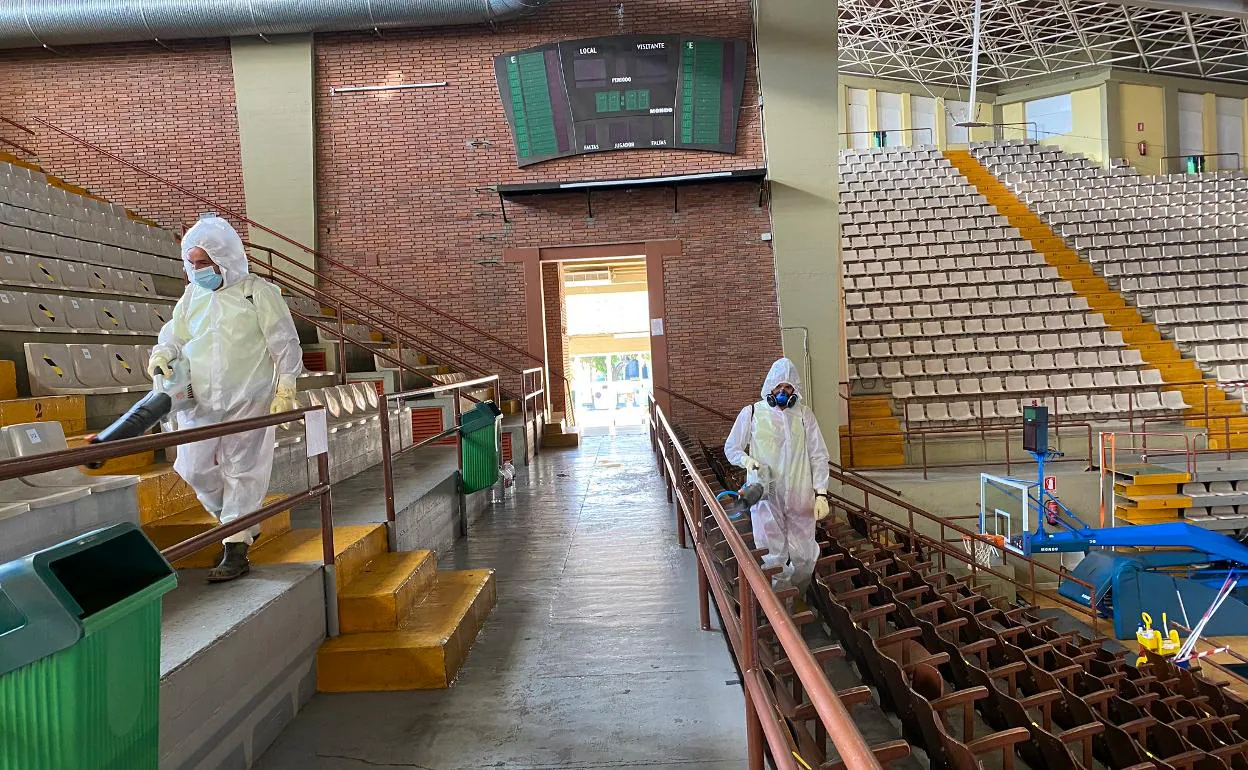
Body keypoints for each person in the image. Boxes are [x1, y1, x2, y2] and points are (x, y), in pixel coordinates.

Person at [149, 216, 302, 583]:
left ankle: (235, 544)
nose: (197, 270)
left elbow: (284, 343)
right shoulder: (191, 297)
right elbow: (173, 336)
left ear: (225, 259)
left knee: (242, 468)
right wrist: (161, 354)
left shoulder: (258, 292)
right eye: (193, 263)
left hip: (248, 397)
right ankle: (238, 523)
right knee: (193, 468)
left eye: (204, 263)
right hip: (199, 399)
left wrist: (286, 388)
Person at [724, 357, 831, 599]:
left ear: (795, 390)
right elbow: (732, 448)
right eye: (778, 387)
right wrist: (747, 461)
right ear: (770, 388)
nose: (782, 392)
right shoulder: (752, 413)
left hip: (799, 494)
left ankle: (797, 596)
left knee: (804, 556)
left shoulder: (804, 416)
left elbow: (818, 456)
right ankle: (783, 609)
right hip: (766, 494)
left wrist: (821, 494)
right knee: (772, 557)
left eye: (788, 388)